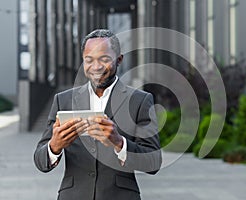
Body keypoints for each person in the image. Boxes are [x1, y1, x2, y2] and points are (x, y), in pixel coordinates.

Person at [34, 29, 162, 200]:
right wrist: (54, 147)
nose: (96, 67)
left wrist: (119, 143)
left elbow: (153, 162)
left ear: (119, 59)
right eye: (89, 60)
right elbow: (40, 161)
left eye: (104, 59)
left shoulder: (140, 101)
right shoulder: (63, 100)